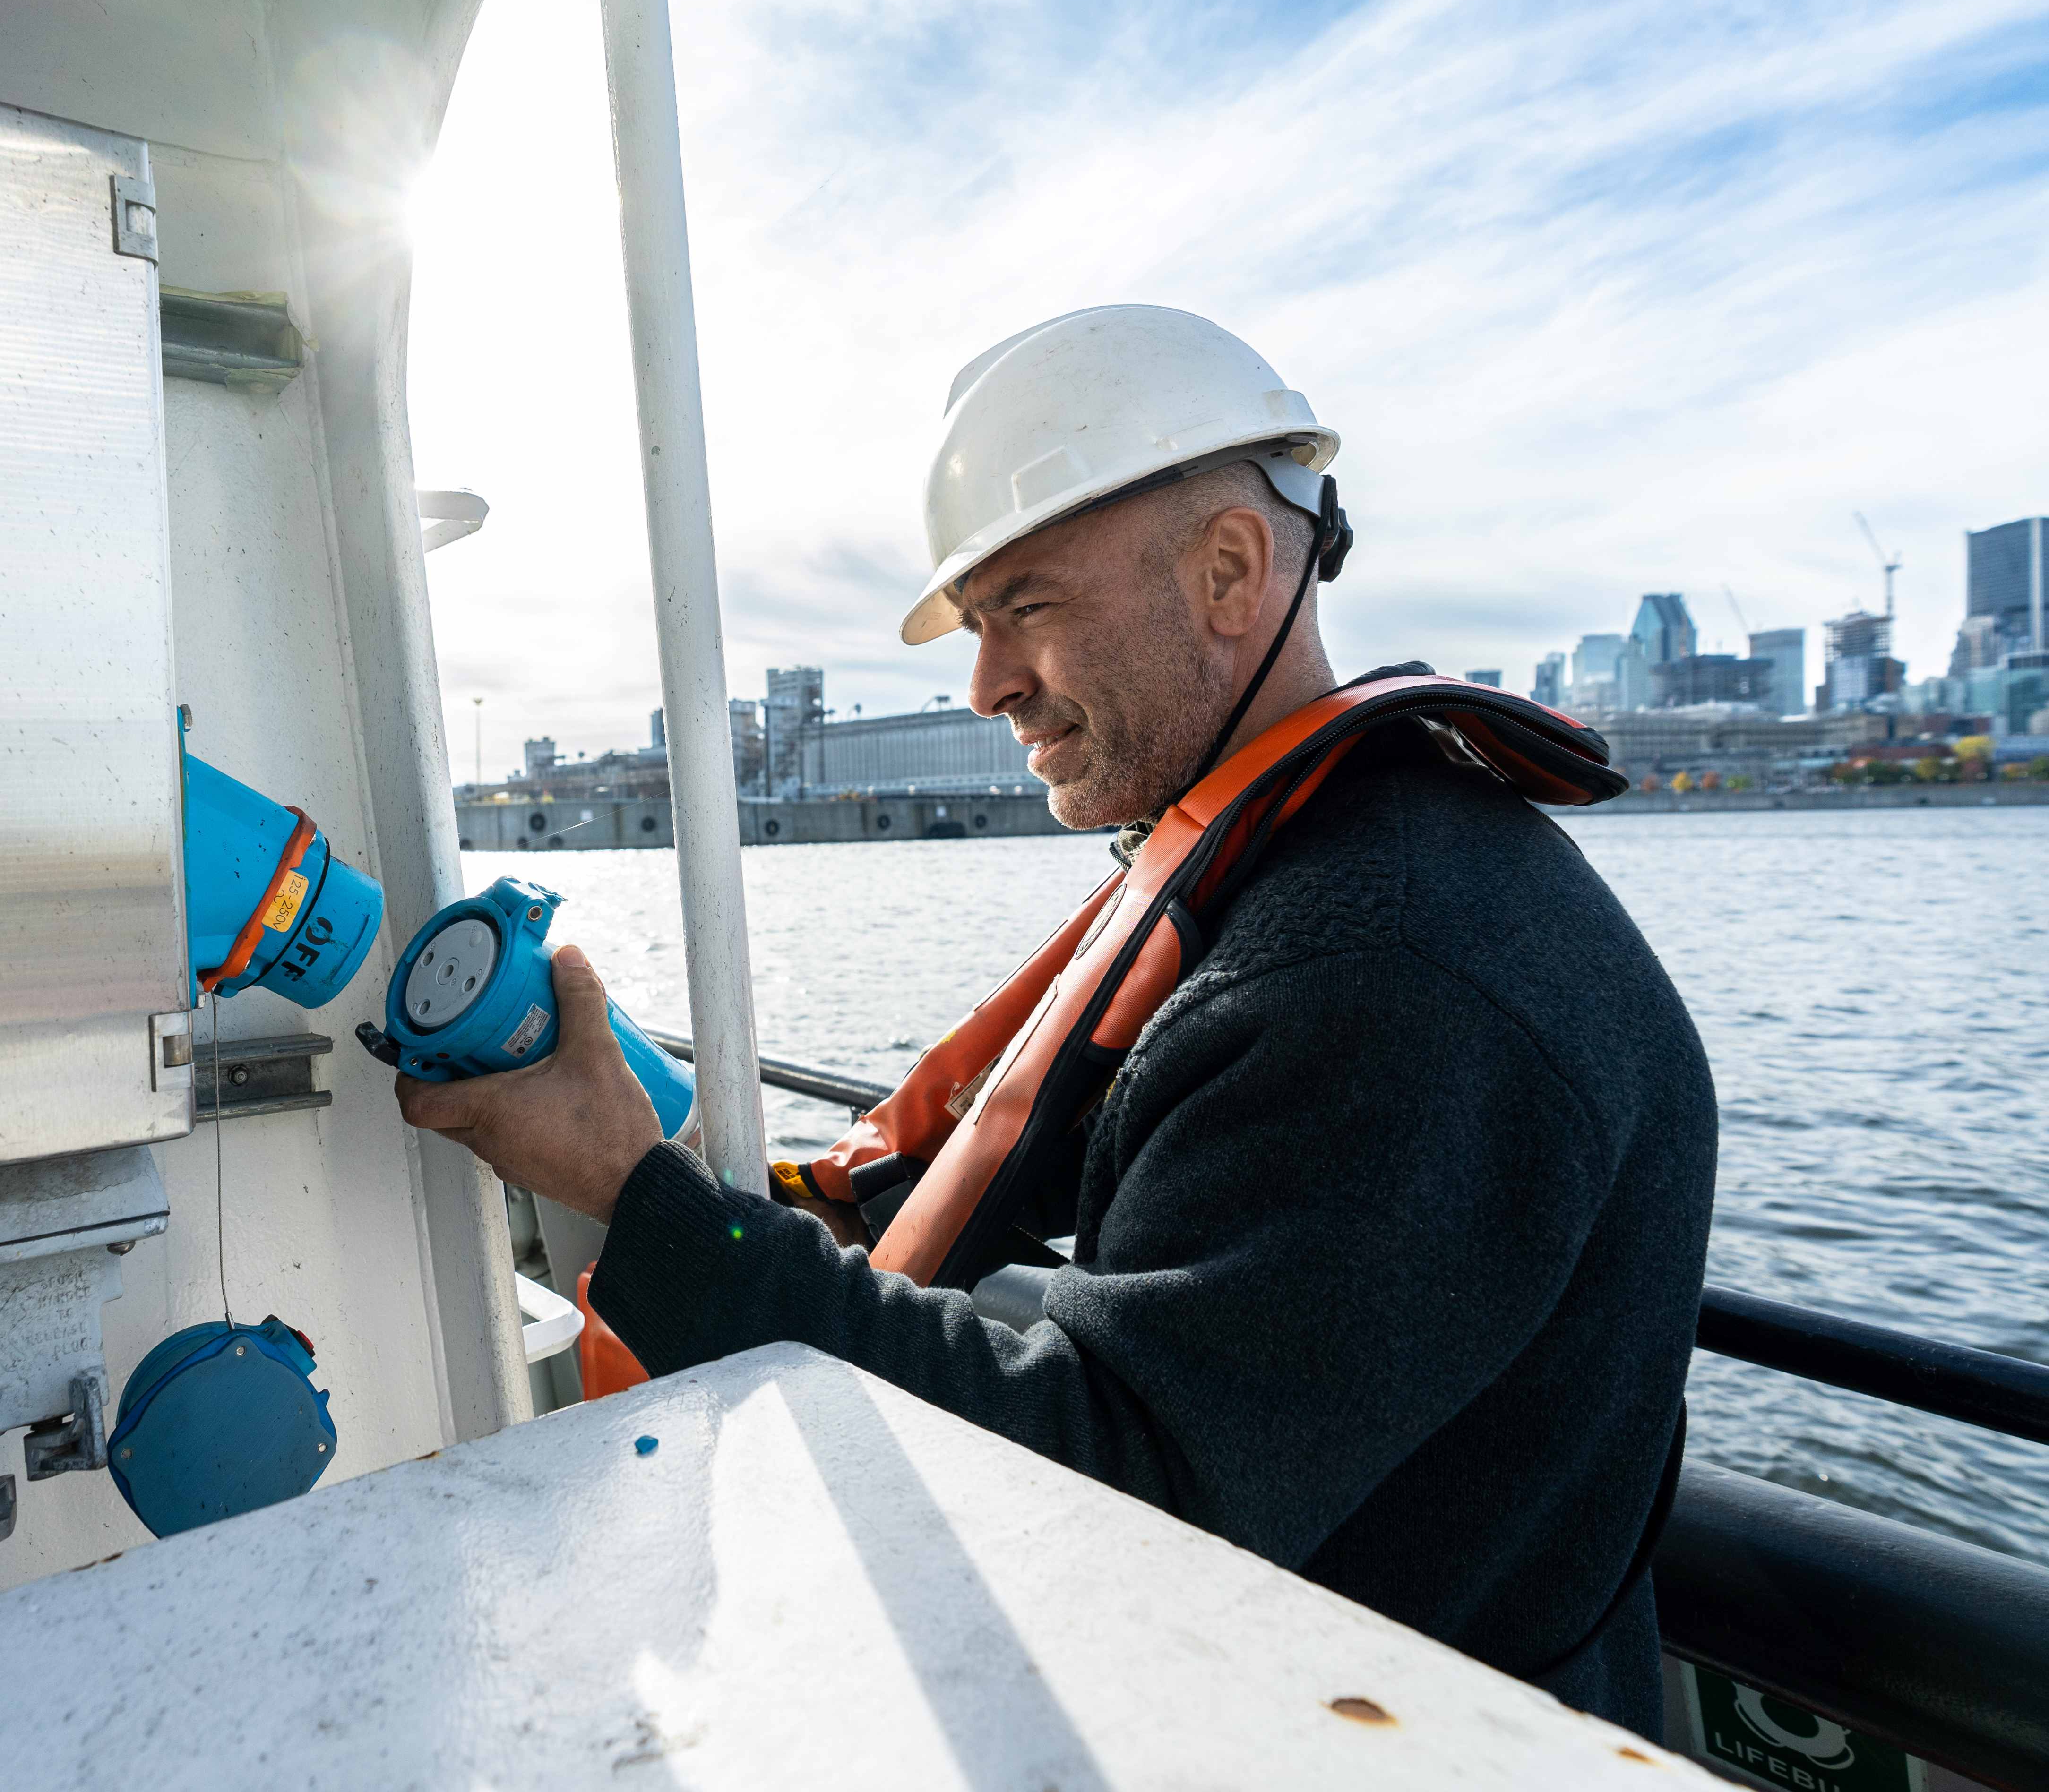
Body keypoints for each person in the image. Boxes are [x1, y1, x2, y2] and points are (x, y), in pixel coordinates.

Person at [395, 306, 1714, 1737]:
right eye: (976, 628)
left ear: (1230, 572)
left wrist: (628, 1193)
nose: (986, 686)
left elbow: (1121, 1485)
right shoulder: (1339, 881)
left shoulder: (1385, 980)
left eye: (1026, 606)